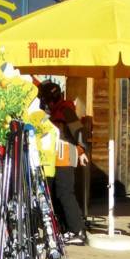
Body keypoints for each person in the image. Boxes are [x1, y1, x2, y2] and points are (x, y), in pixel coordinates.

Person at [38, 80, 88, 245]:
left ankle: (78, 231)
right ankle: (66, 228)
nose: (46, 104)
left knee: (65, 194)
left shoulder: (65, 109)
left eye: (46, 100)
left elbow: (79, 132)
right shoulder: (57, 110)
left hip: (65, 157)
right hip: (56, 159)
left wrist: (81, 151)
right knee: (57, 194)